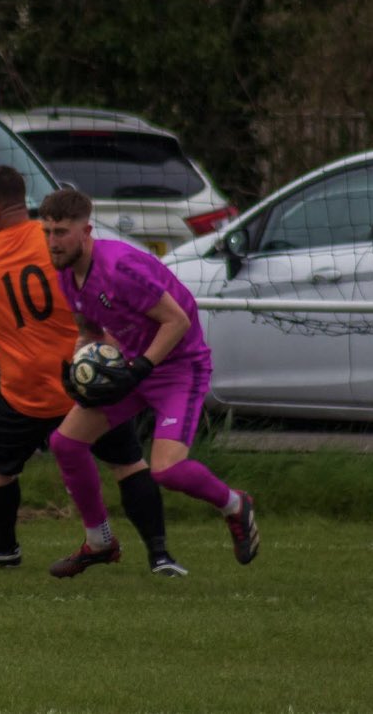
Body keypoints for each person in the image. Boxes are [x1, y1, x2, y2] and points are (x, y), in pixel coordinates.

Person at [0, 165, 186, 577]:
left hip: (26, 393)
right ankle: (160, 554)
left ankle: (2, 543)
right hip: (87, 384)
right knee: (128, 464)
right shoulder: (59, 242)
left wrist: (19, 348)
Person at [38, 187, 259, 577]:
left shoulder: (119, 268)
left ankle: (234, 504)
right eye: (48, 232)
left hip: (178, 368)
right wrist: (79, 369)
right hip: (132, 362)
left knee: (167, 471)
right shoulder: (68, 277)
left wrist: (140, 367)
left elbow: (177, 321)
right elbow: (91, 331)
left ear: (86, 231)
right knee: (66, 443)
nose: (53, 242)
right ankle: (100, 541)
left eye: (61, 233)